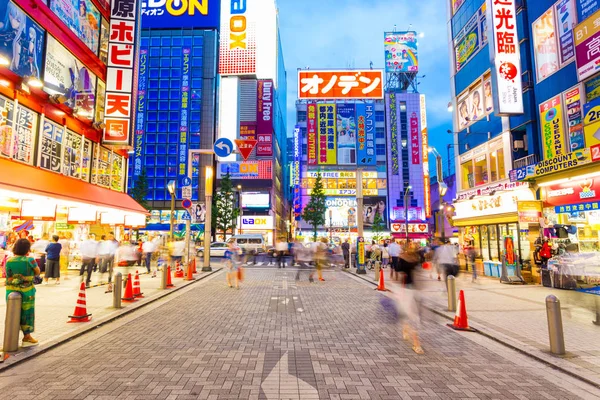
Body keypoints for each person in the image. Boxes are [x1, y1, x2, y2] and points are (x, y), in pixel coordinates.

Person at [5, 238, 40, 345]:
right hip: (27, 291)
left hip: (11, 291)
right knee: (27, 313)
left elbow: (8, 274)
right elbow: (37, 272)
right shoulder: (30, 260)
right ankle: (27, 337)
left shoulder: (9, 260)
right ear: (27, 249)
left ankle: (10, 339)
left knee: (12, 313)